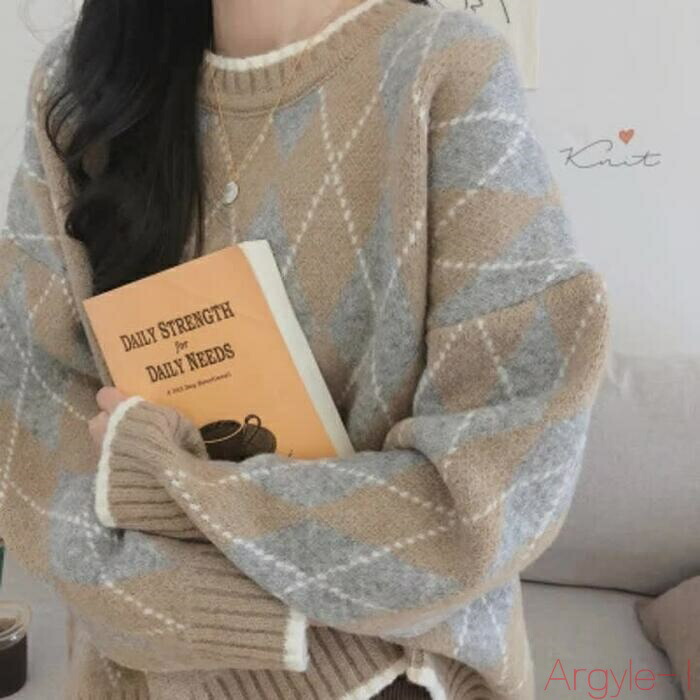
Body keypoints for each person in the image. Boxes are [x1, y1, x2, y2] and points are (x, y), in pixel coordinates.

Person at [0, 0, 609, 698]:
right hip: (136, 677)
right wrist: (212, 612)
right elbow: (32, 444)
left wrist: (171, 490)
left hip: (389, 678)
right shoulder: (82, 87)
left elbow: (490, 498)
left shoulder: (447, 72)